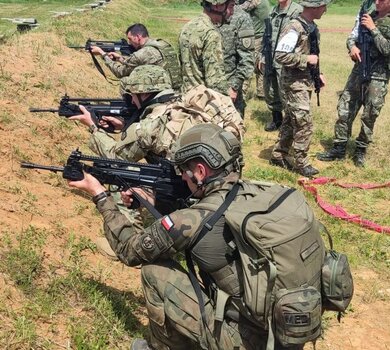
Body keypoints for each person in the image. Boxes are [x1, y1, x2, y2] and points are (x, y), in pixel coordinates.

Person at [68, 123, 317, 350]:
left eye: (183, 172)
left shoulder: (194, 219)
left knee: (154, 272)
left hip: (244, 341)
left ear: (200, 170)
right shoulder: (268, 195)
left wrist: (99, 193)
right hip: (286, 333)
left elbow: (129, 250)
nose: (182, 178)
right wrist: (155, 204)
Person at [69, 65, 244, 163]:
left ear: (143, 93)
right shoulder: (183, 103)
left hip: (191, 186)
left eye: (132, 95)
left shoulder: (150, 124)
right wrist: (125, 126)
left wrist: (92, 126)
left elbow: (116, 156)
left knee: (119, 179)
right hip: (226, 169)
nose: (131, 100)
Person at [317, 0, 390, 167]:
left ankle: (360, 149)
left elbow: (387, 49)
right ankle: (339, 147)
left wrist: (373, 29)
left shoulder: (374, 22)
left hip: (378, 76)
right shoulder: (368, 15)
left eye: (381, 0)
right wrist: (352, 47)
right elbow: (353, 36)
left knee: (370, 114)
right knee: (345, 108)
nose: (376, 2)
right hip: (358, 71)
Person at [269, 0, 329, 177]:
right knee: (304, 123)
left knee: (291, 120)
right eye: (324, 6)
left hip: (305, 82)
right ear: (315, 7)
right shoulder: (294, 27)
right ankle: (302, 162)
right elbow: (280, 55)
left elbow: (313, 54)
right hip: (293, 84)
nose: (325, 10)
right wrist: (305, 60)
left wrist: (318, 74)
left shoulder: (312, 27)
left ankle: (278, 155)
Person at [90, 23, 181, 91]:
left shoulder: (141, 54)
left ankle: (133, 110)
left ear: (137, 37)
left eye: (130, 39)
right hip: (176, 88)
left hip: (161, 91)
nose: (129, 43)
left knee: (125, 81)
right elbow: (144, 61)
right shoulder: (162, 44)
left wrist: (103, 54)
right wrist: (120, 59)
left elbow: (120, 72)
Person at [178, 0, 234, 95]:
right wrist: (227, 94)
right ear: (217, 6)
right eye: (231, 7)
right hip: (203, 101)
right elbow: (215, 80)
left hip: (185, 97)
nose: (232, 12)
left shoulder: (187, 27)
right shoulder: (211, 34)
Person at [262, 0, 302, 131]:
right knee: (271, 91)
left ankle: (290, 124)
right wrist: (263, 56)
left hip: (286, 61)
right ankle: (277, 119)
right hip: (271, 58)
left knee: (286, 94)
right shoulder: (273, 11)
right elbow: (267, 35)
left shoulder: (297, 11)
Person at [218, 3, 255, 116]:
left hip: (229, 84)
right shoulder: (212, 11)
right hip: (210, 84)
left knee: (231, 129)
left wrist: (234, 87)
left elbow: (247, 58)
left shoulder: (241, 17)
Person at [239, 0, 271, 100]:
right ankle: (261, 93)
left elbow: (239, 10)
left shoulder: (254, 1)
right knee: (261, 64)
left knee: (248, 65)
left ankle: (242, 94)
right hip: (263, 36)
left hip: (255, 38)